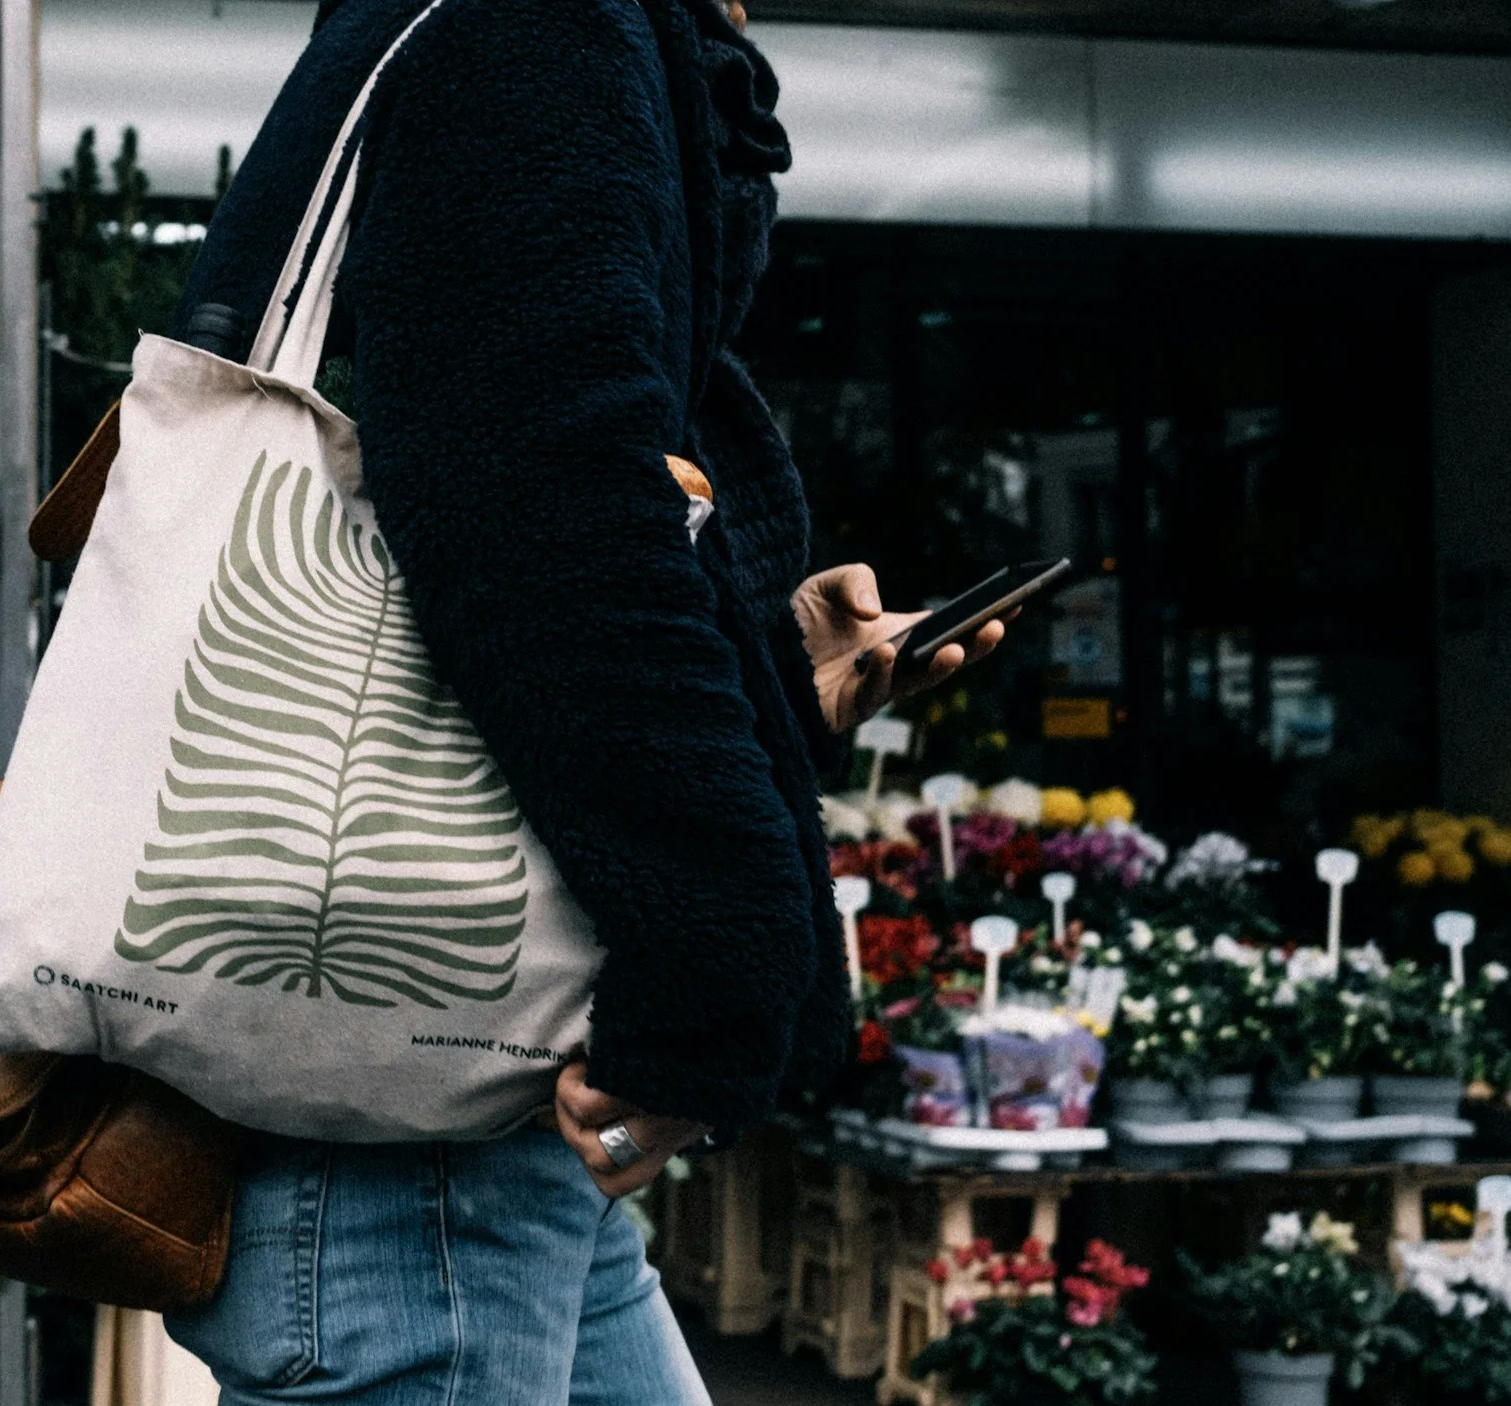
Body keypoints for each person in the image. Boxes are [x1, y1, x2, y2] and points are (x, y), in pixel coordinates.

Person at [157, 0, 1003, 1400]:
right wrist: (712, 967)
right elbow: (543, 505)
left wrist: (773, 671)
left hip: (473, 1122)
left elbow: (532, 505)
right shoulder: (536, 25)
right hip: (416, 1123)